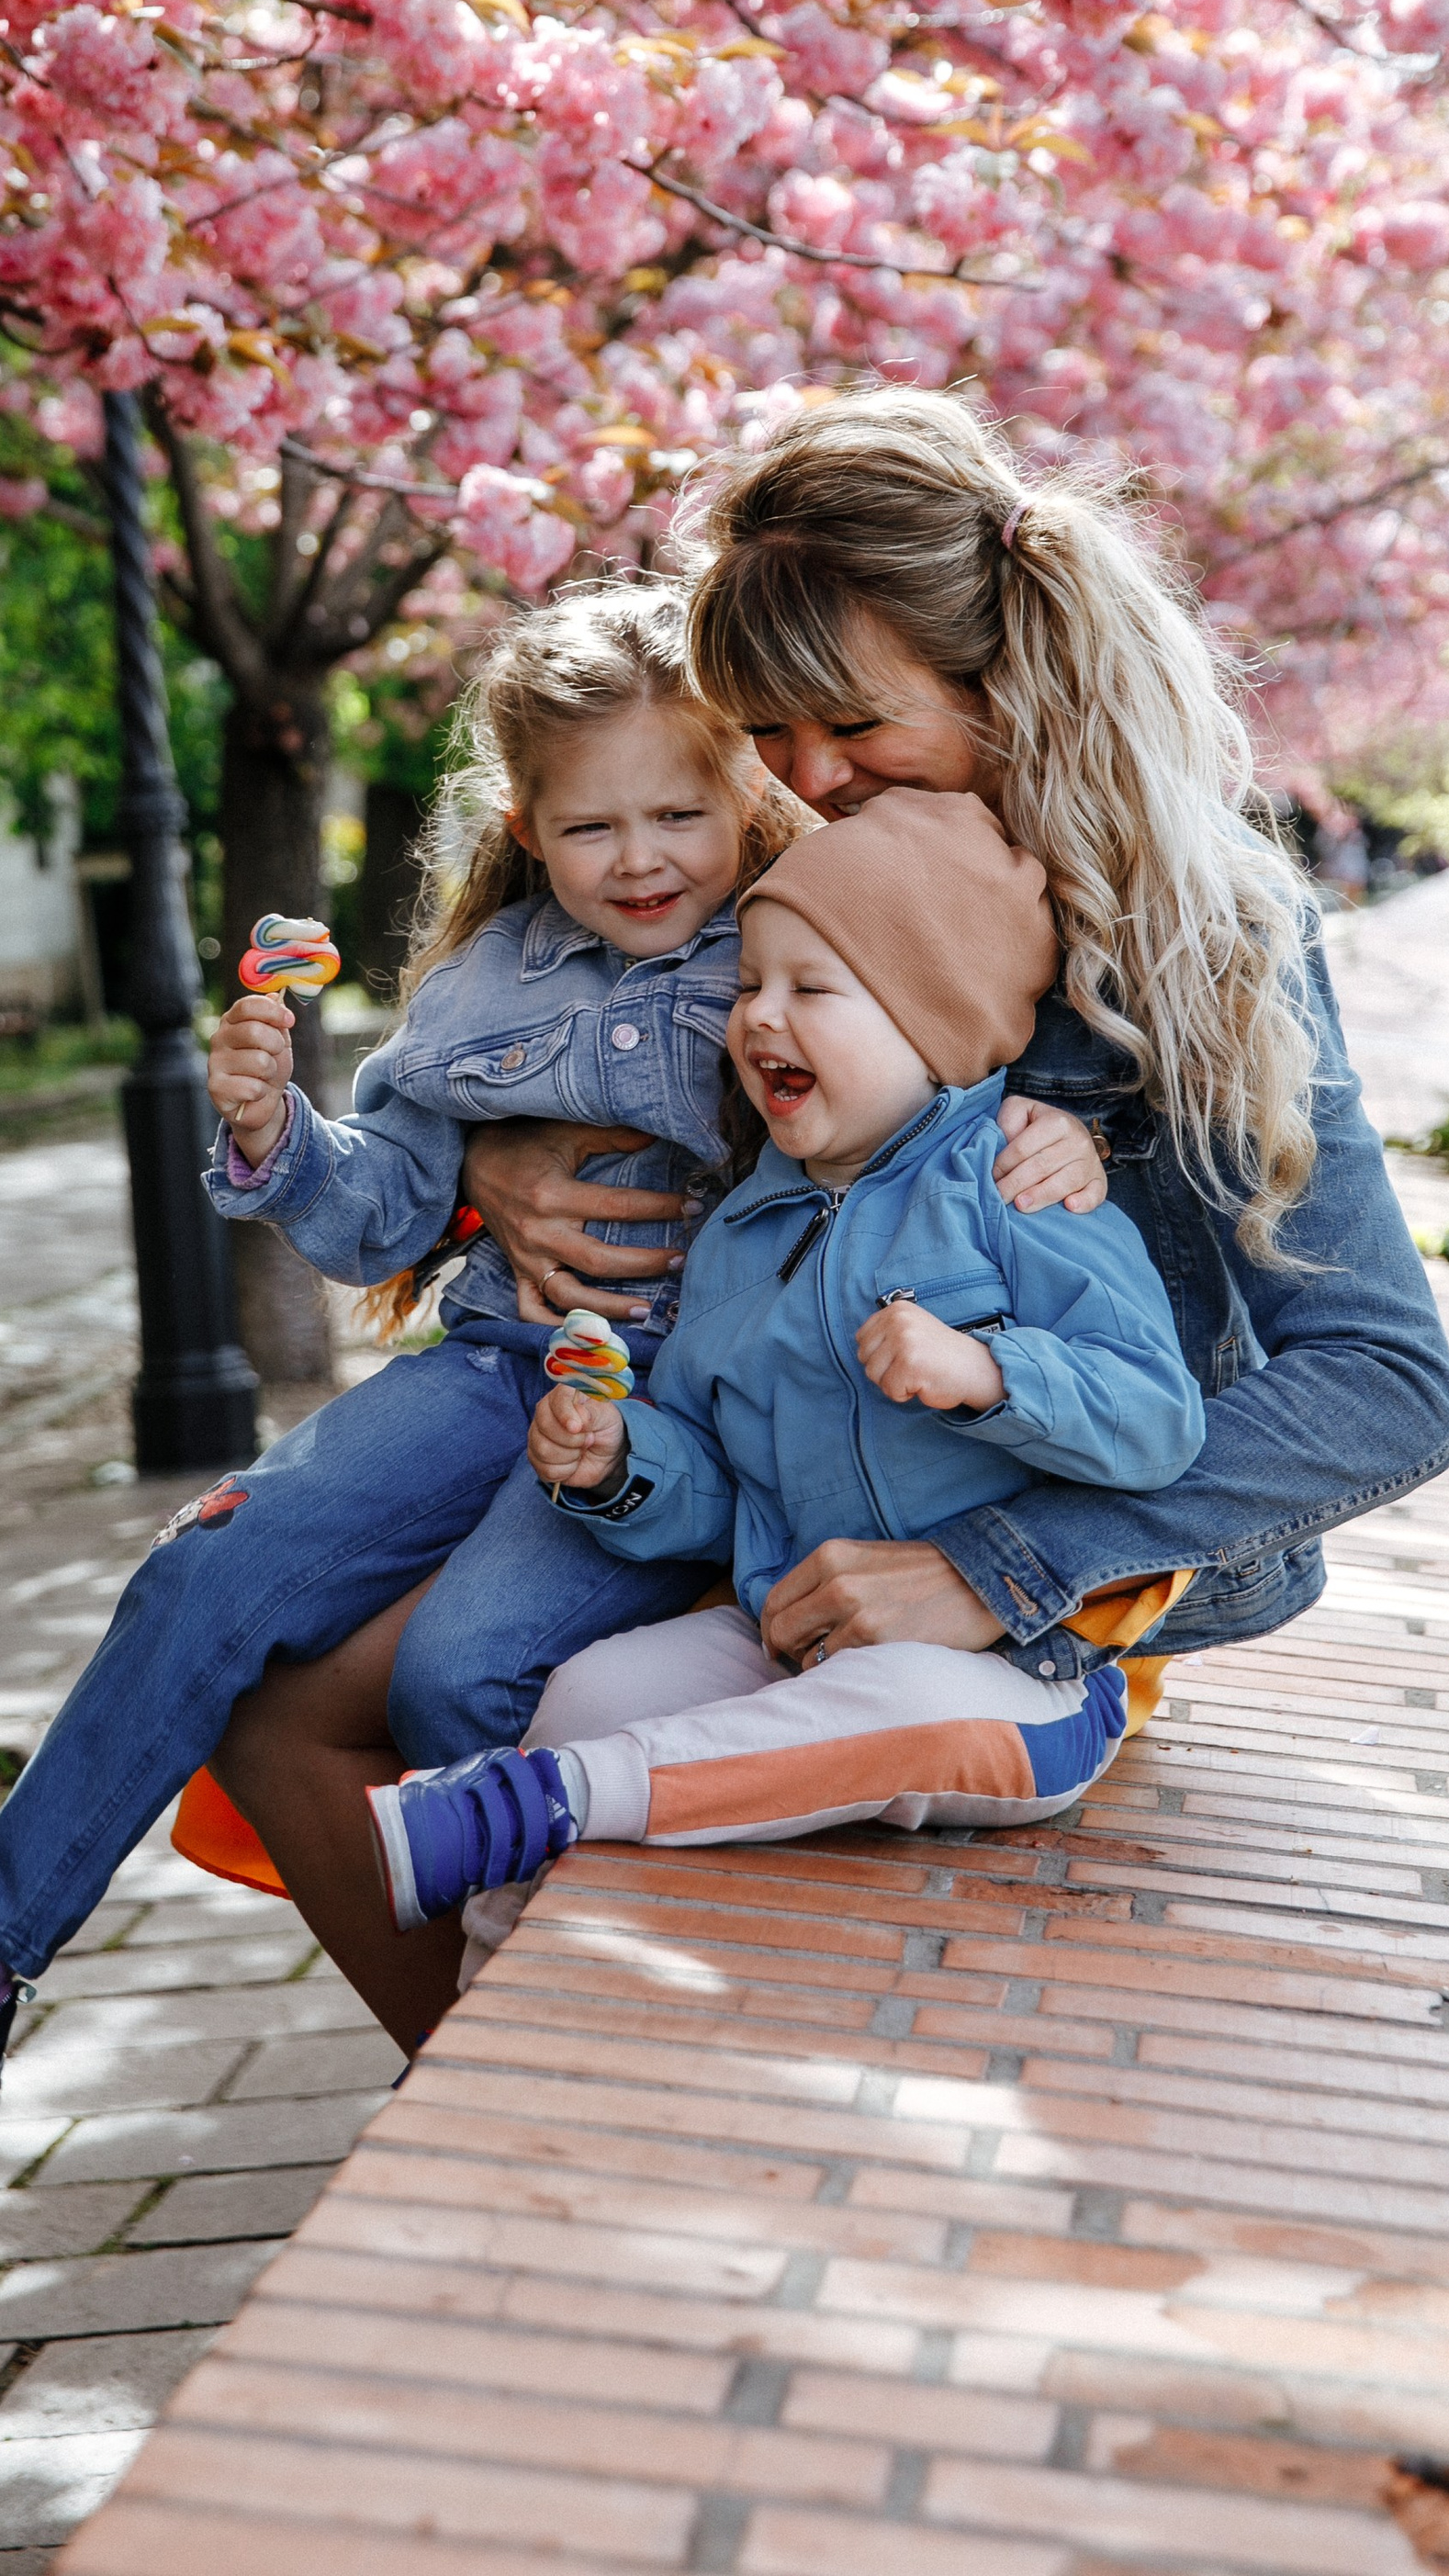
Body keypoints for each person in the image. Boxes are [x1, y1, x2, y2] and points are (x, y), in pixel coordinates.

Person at [0, 578, 1108, 2106]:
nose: (640, 858)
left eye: (676, 816)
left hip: (677, 1423)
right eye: (591, 827)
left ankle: (533, 2053)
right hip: (495, 1367)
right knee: (201, 1565)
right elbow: (384, 1214)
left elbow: (955, 1045)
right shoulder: (482, 986)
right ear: (525, 822)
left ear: (746, 794)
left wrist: (1051, 1133)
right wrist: (281, 1136)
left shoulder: (804, 931)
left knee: (461, 1679)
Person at [211, 390, 1449, 2034]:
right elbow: (614, 1081)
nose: (807, 779)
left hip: (1039, 1565)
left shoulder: (1197, 934)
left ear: (1007, 678)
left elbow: (1387, 1384)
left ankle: (535, 2091)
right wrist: (486, 1185)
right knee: (270, 1695)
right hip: (728, 1464)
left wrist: (998, 1566)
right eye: (770, 735)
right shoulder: (789, 858)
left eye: (852, 725)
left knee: (416, 1704)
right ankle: (484, 2099)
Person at [366, 788, 1205, 1929]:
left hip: (1021, 1670)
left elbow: (1159, 1418)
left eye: (811, 990)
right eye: (748, 984)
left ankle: (559, 1800)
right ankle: (499, 1975)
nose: (759, 1015)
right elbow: (722, 1483)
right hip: (792, 1637)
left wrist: (991, 1375)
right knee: (590, 1691)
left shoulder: (1020, 1187)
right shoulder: (739, 1234)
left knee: (907, 1707)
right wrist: (621, 1463)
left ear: (932, 1021)